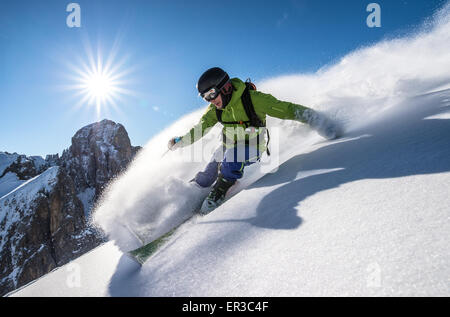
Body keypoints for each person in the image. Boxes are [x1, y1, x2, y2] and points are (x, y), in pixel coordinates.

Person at [168, 67, 341, 214]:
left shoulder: (253, 99)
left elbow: (287, 109)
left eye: (212, 93)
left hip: (253, 147)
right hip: (229, 146)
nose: (211, 100)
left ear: (225, 87)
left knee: (232, 157)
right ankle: (195, 191)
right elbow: (200, 129)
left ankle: (222, 188)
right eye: (206, 97)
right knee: (209, 172)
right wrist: (180, 141)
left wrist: (319, 121)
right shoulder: (216, 110)